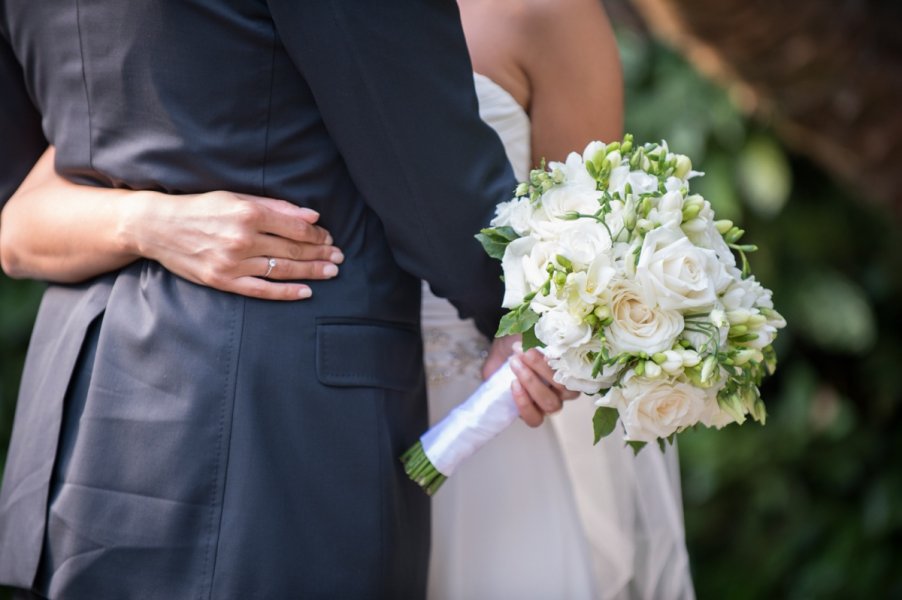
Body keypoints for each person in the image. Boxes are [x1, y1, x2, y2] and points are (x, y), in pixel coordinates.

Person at [0, 1, 572, 597]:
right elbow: (427, 157)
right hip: (270, 426)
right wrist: (539, 317)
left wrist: (141, 215)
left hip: (76, 410)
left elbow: (22, 190)